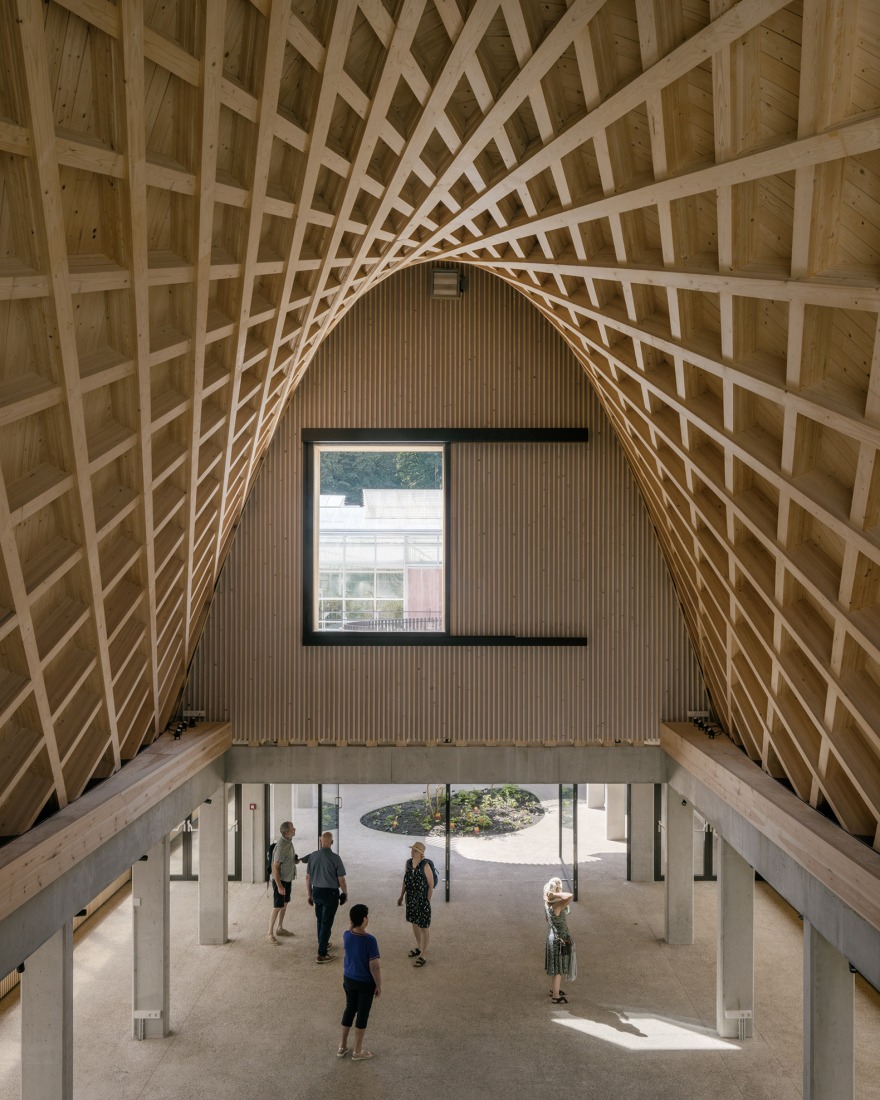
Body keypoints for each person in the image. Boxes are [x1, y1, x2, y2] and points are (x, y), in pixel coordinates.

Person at [338, 903, 381, 1061]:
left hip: (349, 979)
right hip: (364, 983)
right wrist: (378, 984)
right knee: (362, 1014)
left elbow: (351, 930)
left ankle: (342, 1046)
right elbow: (374, 966)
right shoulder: (370, 940)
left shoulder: (346, 935)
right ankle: (357, 1050)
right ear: (364, 919)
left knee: (350, 1009)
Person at [301, 831, 348, 963]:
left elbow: (307, 878)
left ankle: (323, 942)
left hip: (317, 892)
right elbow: (341, 880)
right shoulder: (335, 858)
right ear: (331, 842)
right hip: (330, 894)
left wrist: (309, 895)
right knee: (327, 922)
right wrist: (345, 893)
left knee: (320, 919)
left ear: (320, 841)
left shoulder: (313, 856)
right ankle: (322, 953)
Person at [397, 840, 433, 966]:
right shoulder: (408, 863)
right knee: (414, 923)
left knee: (423, 926)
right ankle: (419, 947)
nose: (412, 852)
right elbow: (405, 880)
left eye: (415, 850)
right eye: (412, 849)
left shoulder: (425, 865)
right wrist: (401, 896)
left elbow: (430, 884)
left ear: (421, 853)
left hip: (422, 900)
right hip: (411, 899)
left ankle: (423, 955)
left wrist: (427, 901)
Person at [543, 877, 576, 1003]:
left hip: (552, 936)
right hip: (559, 939)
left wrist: (551, 895)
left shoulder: (547, 905)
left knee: (556, 967)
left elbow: (547, 919)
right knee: (558, 969)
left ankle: (554, 990)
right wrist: (556, 894)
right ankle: (555, 996)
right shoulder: (557, 906)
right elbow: (570, 896)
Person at [268, 821, 299, 944]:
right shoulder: (281, 846)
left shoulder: (288, 842)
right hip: (280, 881)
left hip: (287, 878)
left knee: (284, 904)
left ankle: (280, 928)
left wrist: (294, 861)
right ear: (287, 833)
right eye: (292, 828)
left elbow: (285, 860)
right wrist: (279, 886)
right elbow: (275, 867)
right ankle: (269, 933)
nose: (294, 829)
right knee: (277, 906)